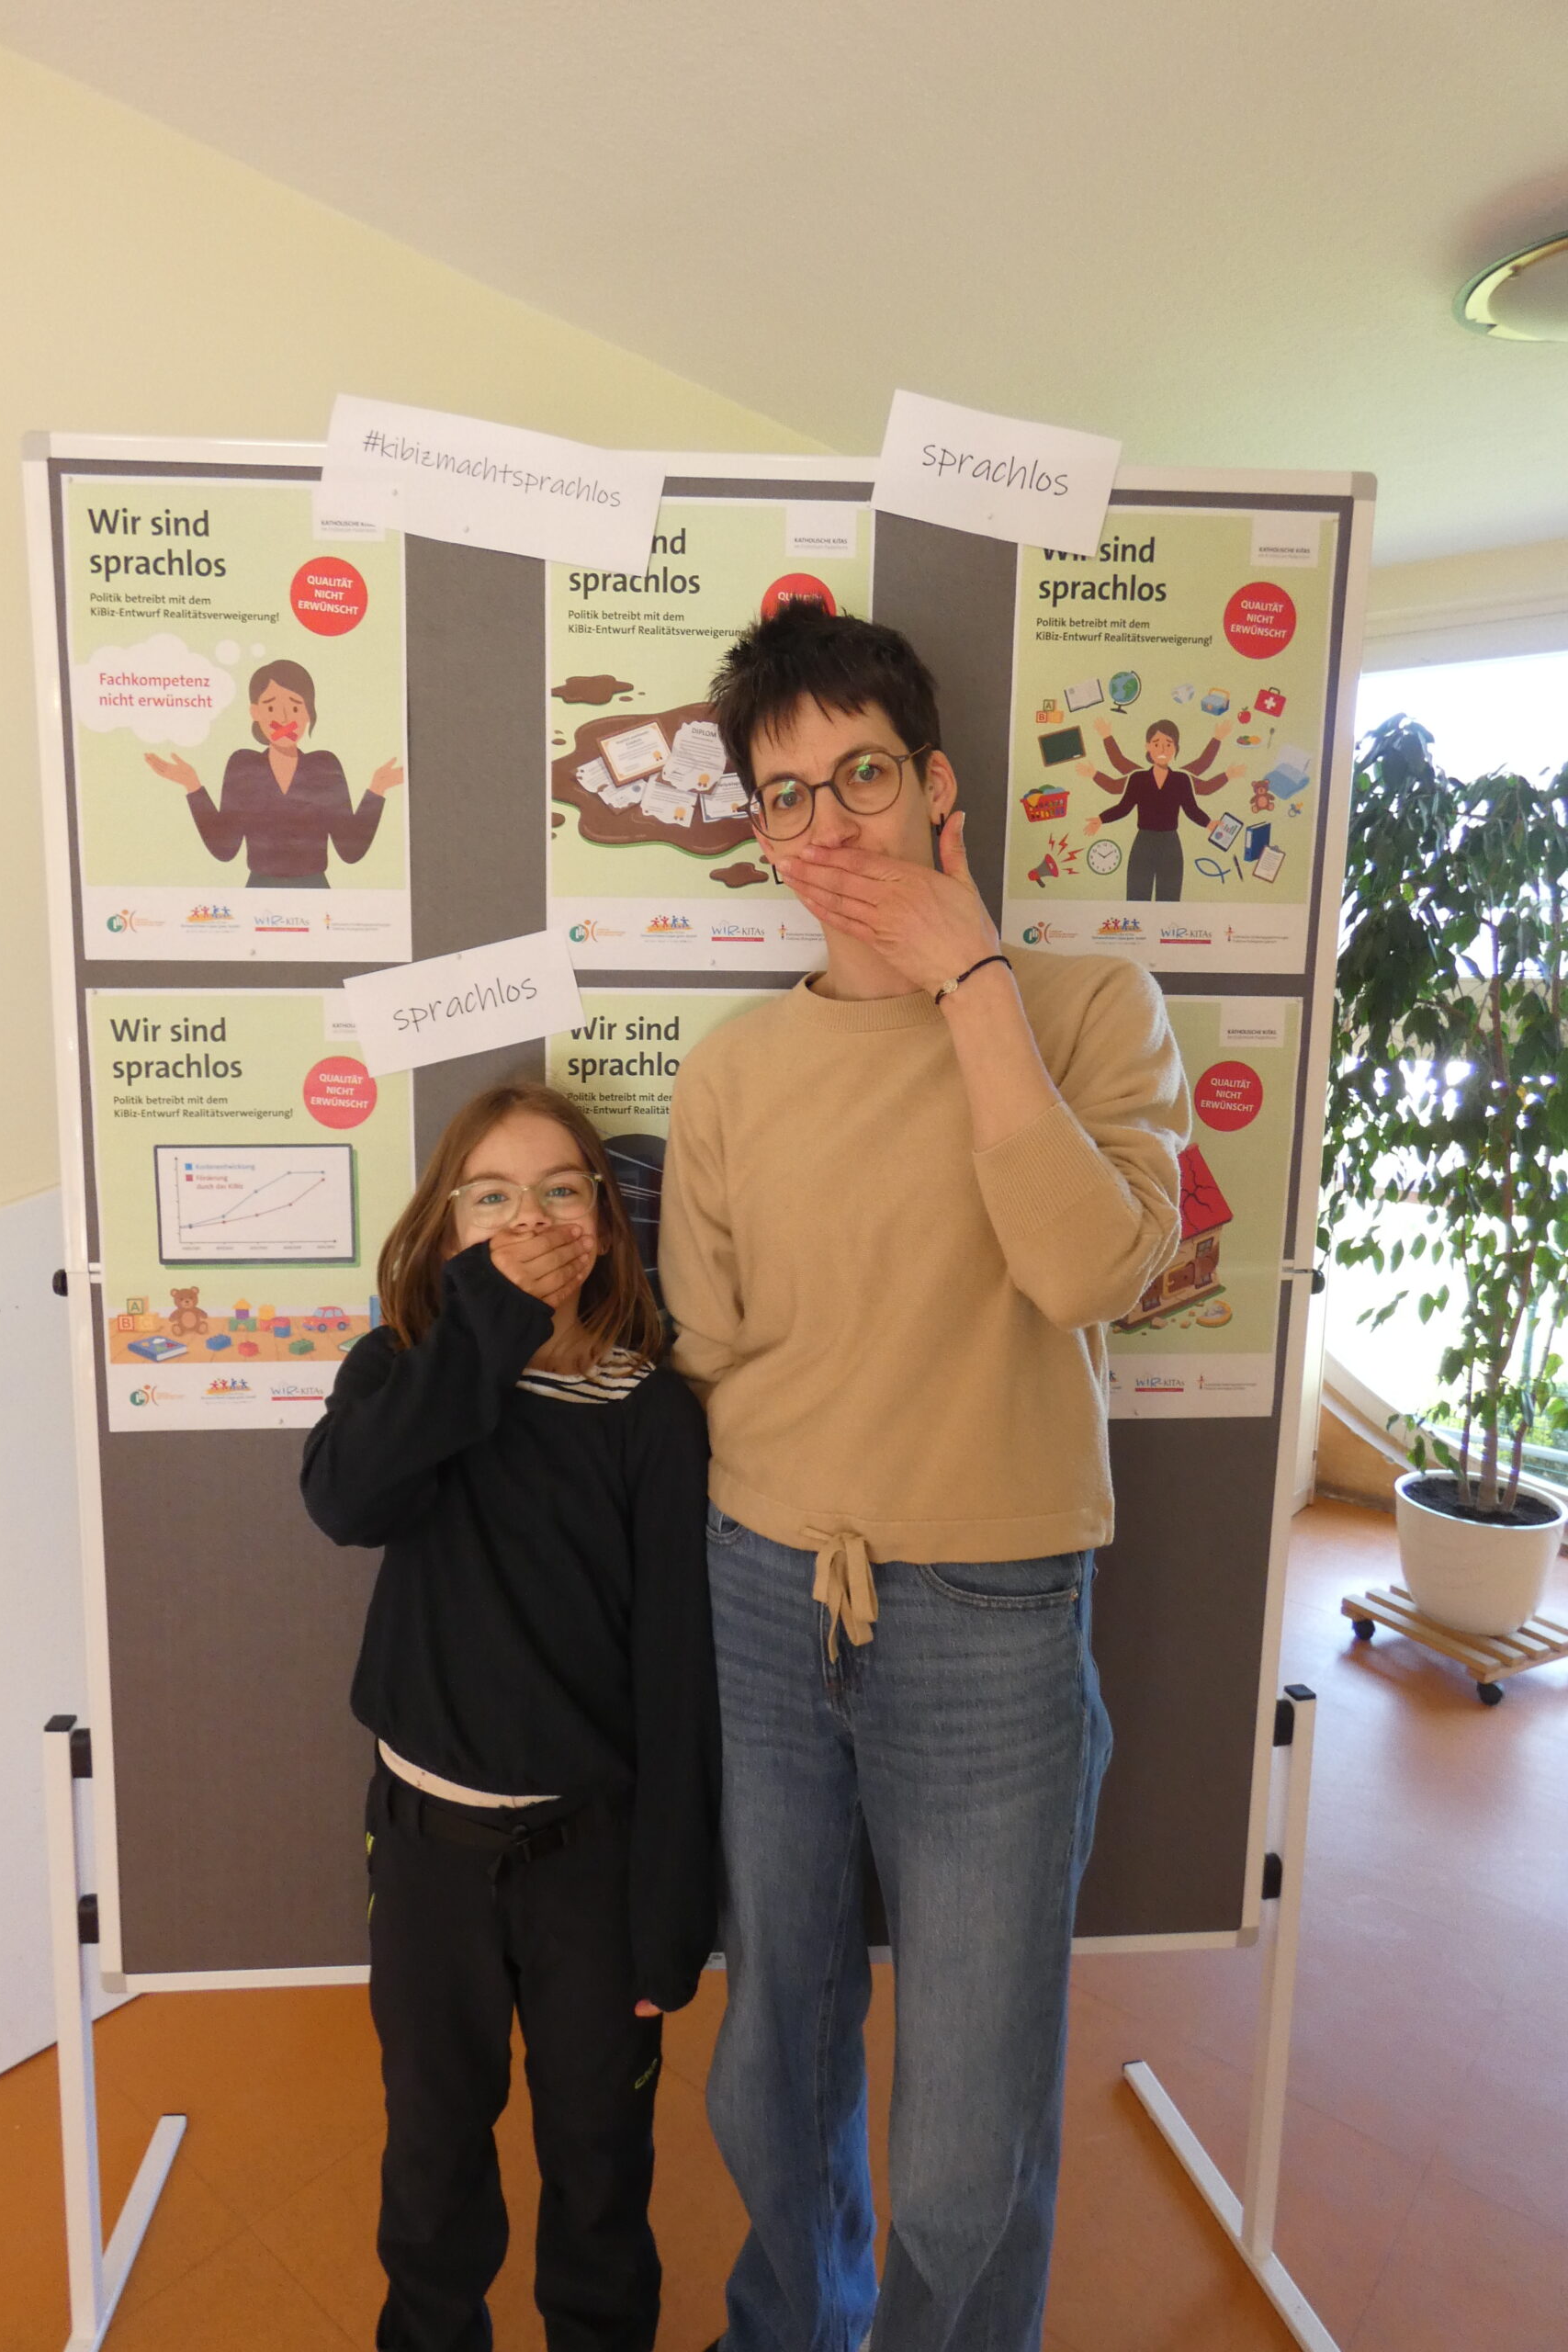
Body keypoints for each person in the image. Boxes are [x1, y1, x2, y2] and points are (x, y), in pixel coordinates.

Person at [659, 605, 1189, 2352]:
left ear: (938, 785)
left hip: (992, 1614)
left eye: (862, 776)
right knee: (771, 2062)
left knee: (966, 2142)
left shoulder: (1089, 1007)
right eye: (787, 795)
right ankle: (789, 2328)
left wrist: (970, 979)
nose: (831, 827)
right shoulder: (735, 1068)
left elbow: (1086, 1270)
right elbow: (713, 1347)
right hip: (765, 1590)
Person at [300, 1082, 718, 2352]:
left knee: (600, 2161)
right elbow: (347, 1501)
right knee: (433, 2156)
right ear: (447, 1227)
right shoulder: (402, 1372)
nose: (528, 1219)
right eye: (491, 1196)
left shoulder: (650, 1412)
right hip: (428, 1850)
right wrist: (484, 1322)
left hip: (592, 1861)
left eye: (557, 1190)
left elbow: (679, 1680)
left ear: (604, 1219)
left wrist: (669, 1919)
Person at [145, 657, 402, 886]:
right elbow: (224, 849)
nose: (284, 718)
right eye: (270, 707)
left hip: (315, 892)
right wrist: (193, 786)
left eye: (295, 707)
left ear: (308, 713)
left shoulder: (324, 765)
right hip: (259, 890)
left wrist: (377, 789)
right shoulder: (243, 765)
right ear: (255, 712)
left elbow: (350, 851)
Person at [1075, 718, 1244, 901]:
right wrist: (1101, 819)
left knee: (1169, 898)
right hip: (1143, 844)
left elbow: (1191, 809)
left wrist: (1208, 823)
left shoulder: (1182, 779)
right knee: (1137, 897)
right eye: (1156, 744)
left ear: (1175, 748)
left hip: (1170, 845)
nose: (1162, 749)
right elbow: (1124, 807)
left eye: (1168, 744)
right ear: (1148, 747)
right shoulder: (1137, 778)